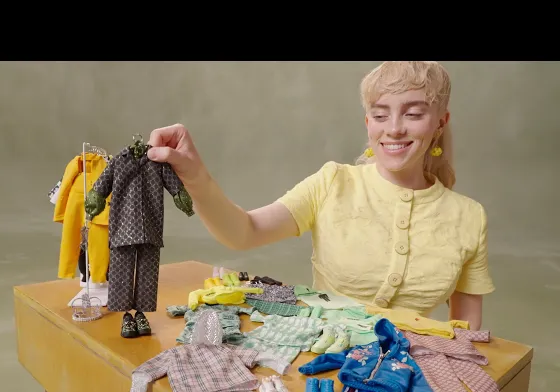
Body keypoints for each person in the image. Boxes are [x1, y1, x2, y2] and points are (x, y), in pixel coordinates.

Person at [145, 61, 495, 331]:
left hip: (410, 375)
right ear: (368, 123)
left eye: (413, 114)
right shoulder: (333, 183)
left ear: (440, 123)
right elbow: (244, 232)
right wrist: (194, 175)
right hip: (321, 361)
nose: (394, 128)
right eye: (380, 114)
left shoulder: (469, 217)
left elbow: (466, 335)